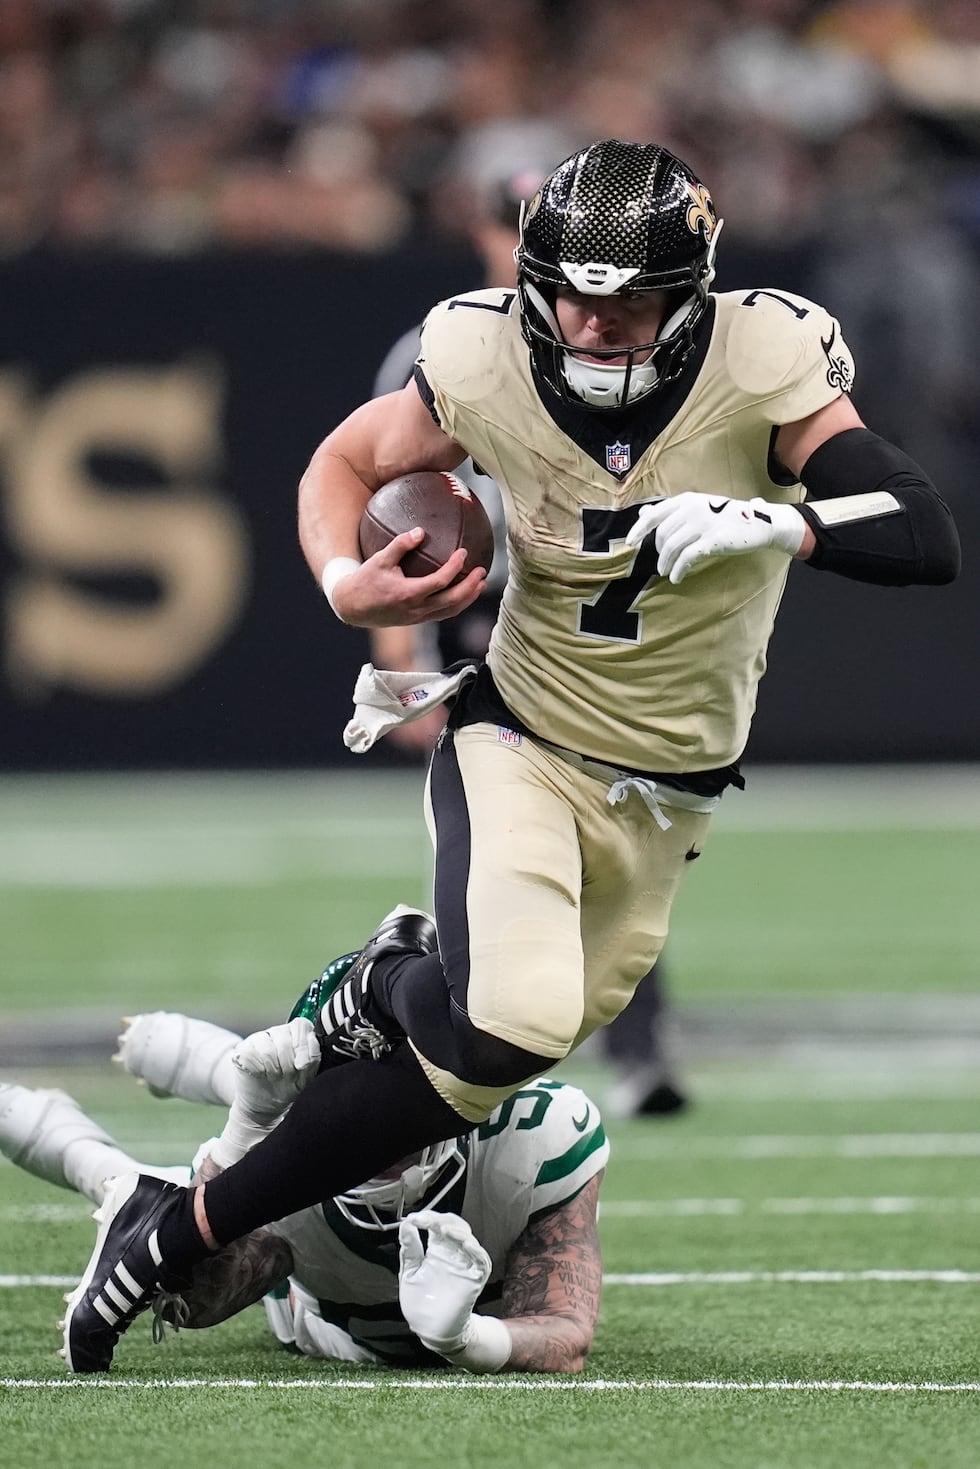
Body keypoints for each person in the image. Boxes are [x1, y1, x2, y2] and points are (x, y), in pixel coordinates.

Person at [62, 138, 960, 1374]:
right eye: (572, 292)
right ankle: (371, 992)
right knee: (510, 1011)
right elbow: (347, 460)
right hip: (523, 733)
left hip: (671, 787)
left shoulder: (762, 358)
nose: (592, 324)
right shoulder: (479, 351)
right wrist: (342, 576)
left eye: (627, 298)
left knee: (474, 1068)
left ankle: (178, 1224)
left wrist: (781, 518)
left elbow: (921, 529)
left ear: (689, 294)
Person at [371, 157, 690, 1118]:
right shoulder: (452, 351)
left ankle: (627, 1047)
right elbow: (391, 513)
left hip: (588, 614)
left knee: (624, 825)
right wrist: (401, 658)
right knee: (504, 839)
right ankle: (442, 1009)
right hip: (481, 604)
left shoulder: (645, 350)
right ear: (484, 237)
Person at [1, 985, 606, 1372]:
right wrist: (244, 1134)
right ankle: (112, 1146)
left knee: (269, 1118)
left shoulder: (537, 1133)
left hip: (339, 1130)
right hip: (323, 1312)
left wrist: (468, 1337)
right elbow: (190, 1299)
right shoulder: (295, 1183)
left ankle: (227, 1080)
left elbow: (566, 1331)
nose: (379, 1144)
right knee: (164, 1209)